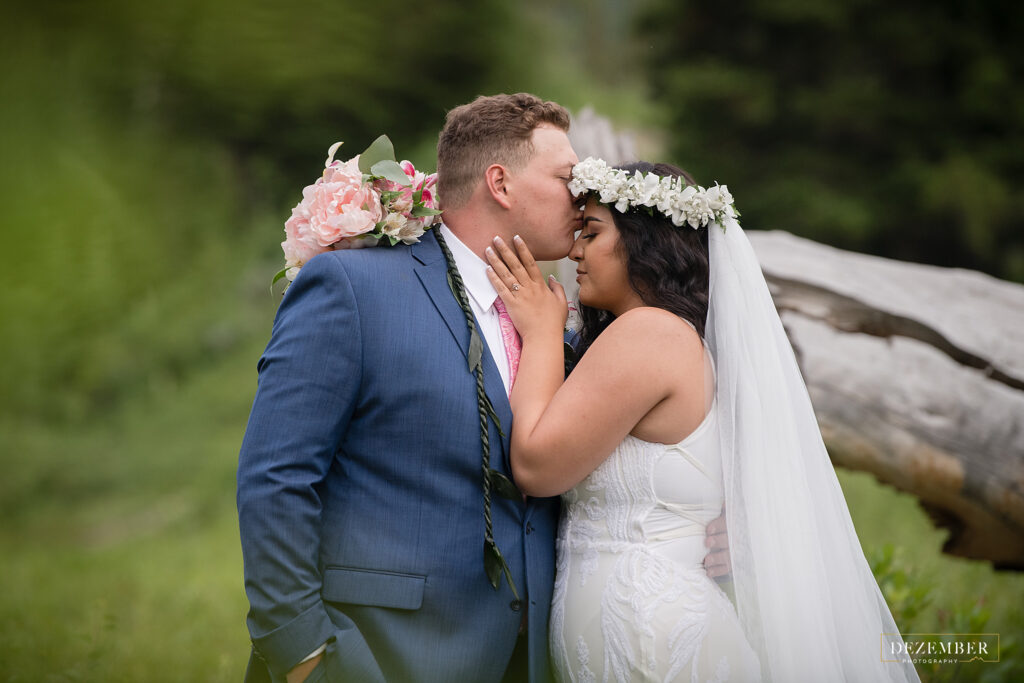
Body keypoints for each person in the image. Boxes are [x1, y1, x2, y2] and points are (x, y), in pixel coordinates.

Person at [237, 94, 731, 683]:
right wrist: (303, 655)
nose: (581, 199)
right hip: (380, 655)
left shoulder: (568, 324)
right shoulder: (352, 287)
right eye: (565, 178)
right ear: (500, 183)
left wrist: (726, 528)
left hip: (538, 660)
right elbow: (277, 477)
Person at [484, 159, 921, 682]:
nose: (575, 250)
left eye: (592, 233)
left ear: (646, 244)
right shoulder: (665, 338)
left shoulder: (651, 334)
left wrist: (537, 332)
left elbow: (536, 466)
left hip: (649, 636)